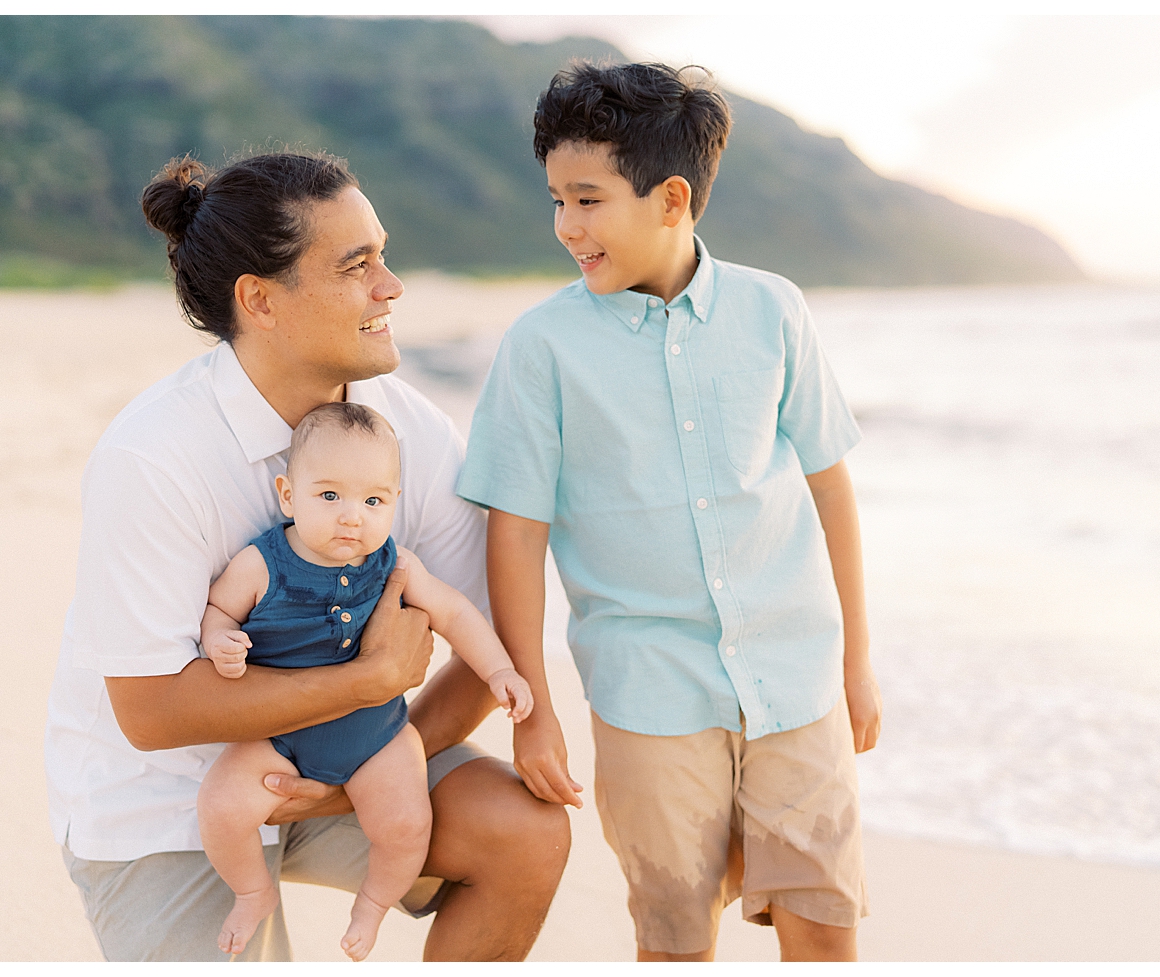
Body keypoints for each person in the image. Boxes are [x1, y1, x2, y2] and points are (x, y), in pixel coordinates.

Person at [43, 151, 569, 962]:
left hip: (351, 761)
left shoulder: (406, 430)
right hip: (172, 802)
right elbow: (149, 712)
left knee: (524, 832)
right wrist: (367, 681)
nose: (391, 286)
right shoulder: (154, 455)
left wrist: (362, 766)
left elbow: (482, 625)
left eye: (383, 257)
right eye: (358, 266)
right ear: (259, 299)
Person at [456, 61, 883, 962]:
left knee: (823, 919)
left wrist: (857, 662)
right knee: (674, 928)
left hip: (795, 677)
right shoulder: (542, 347)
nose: (567, 227)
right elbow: (516, 532)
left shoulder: (773, 310)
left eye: (588, 199)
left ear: (671, 197)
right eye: (557, 201)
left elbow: (827, 483)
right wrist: (530, 707)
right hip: (647, 691)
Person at [197, 401, 532, 960]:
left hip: (376, 735)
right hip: (279, 736)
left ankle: (373, 905)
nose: (352, 516)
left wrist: (498, 670)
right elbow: (217, 611)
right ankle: (252, 890)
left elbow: (454, 612)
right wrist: (219, 640)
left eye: (373, 501)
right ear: (288, 495)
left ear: (393, 504)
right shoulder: (262, 564)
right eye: (329, 496)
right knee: (222, 808)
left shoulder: (394, 563)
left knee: (405, 826)